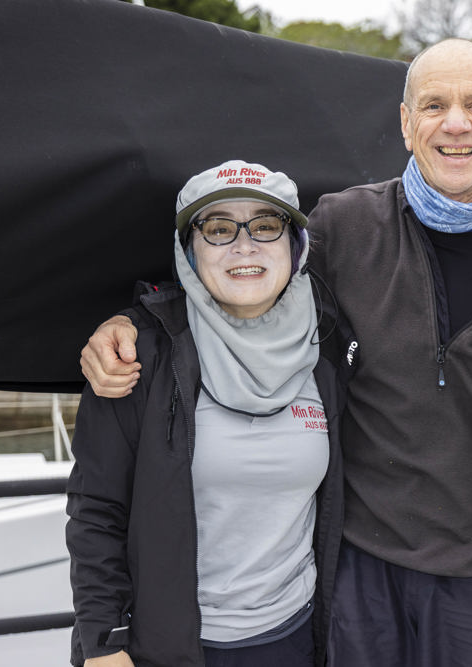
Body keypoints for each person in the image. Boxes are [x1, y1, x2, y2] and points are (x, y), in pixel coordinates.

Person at [81, 39, 472, 667]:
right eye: (434, 105)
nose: (456, 124)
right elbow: (241, 275)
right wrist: (127, 324)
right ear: (405, 123)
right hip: (359, 574)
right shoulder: (343, 228)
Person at [66, 160, 356, 667]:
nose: (244, 246)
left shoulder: (331, 345)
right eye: (219, 229)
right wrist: (103, 642)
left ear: (296, 244)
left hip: (294, 638)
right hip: (167, 647)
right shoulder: (140, 354)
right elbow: (96, 511)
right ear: (189, 252)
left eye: (266, 226)